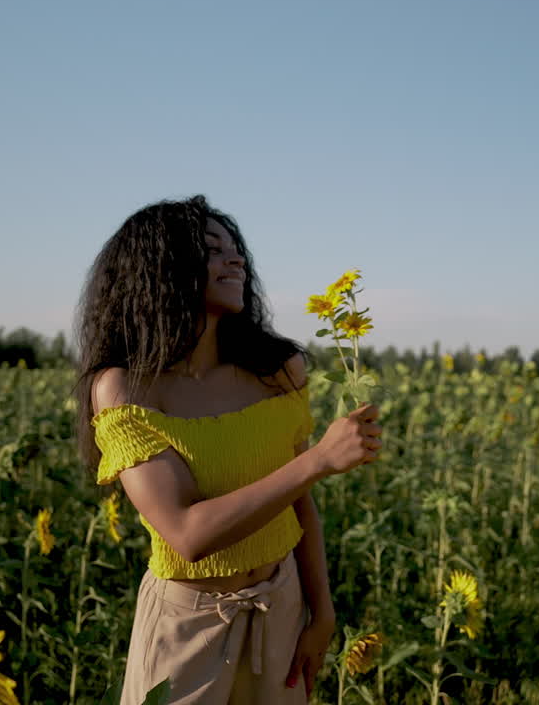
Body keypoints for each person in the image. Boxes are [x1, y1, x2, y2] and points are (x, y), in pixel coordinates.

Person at [73, 195, 382, 704]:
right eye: (211, 249)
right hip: (188, 623)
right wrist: (320, 460)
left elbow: (299, 503)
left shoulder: (278, 369)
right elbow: (187, 534)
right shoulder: (125, 389)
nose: (236, 259)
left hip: (280, 606)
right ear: (161, 267)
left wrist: (321, 614)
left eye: (235, 249)